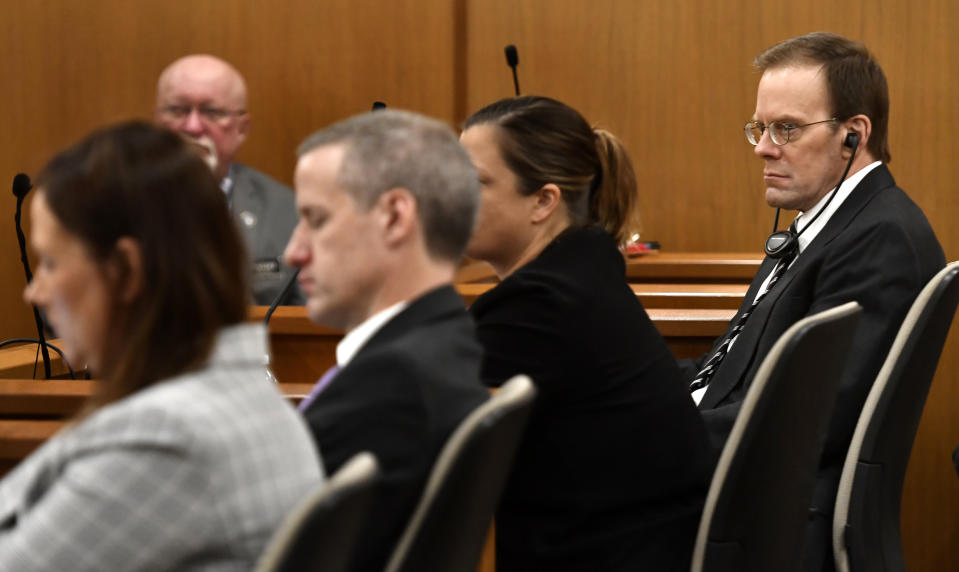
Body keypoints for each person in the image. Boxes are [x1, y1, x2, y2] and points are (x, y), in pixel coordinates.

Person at [0, 122, 323, 571]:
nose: (34, 293)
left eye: (52, 263)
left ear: (126, 271)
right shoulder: (242, 397)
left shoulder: (169, 434)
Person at [681, 32, 944, 571]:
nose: (762, 146)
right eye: (760, 127)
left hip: (769, 521)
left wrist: (647, 432)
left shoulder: (880, 239)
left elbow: (802, 422)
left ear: (854, 135)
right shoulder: (827, 225)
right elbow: (736, 371)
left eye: (787, 129)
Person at [460, 95, 711, 572]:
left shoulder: (539, 307)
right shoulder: (581, 273)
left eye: (473, 182)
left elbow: (415, 439)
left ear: (542, 201)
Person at [284, 109, 488, 572]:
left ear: (395, 217)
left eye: (316, 220)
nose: (293, 252)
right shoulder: (445, 341)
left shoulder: (391, 384)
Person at [155, 54, 302, 305]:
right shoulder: (111, 205)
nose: (192, 127)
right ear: (157, 120)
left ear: (241, 129)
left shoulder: (289, 213)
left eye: (211, 112)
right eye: (177, 110)